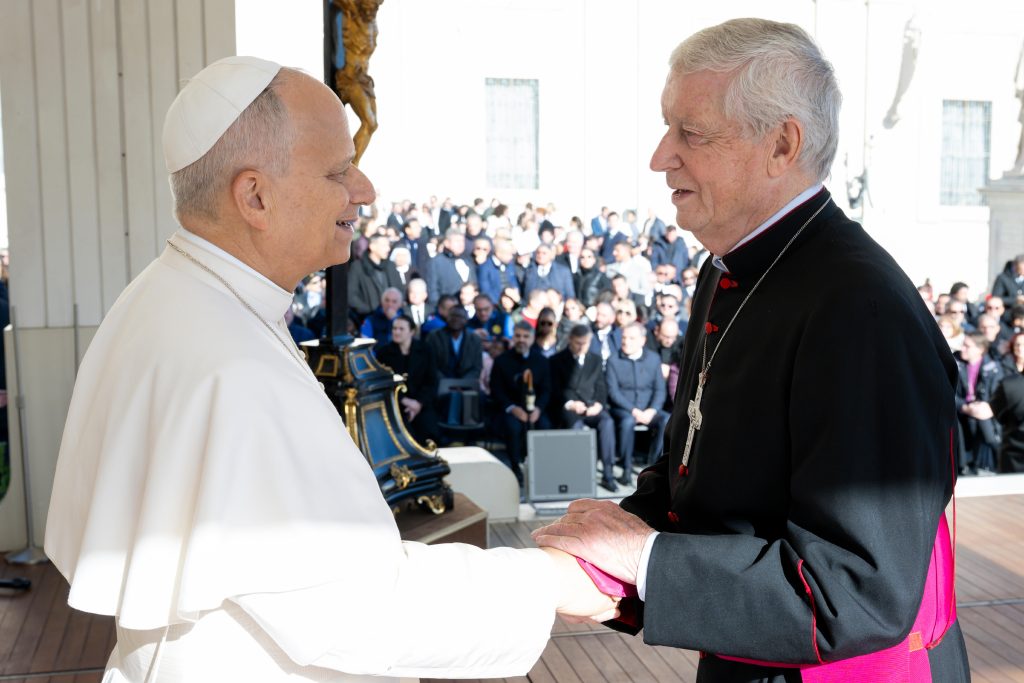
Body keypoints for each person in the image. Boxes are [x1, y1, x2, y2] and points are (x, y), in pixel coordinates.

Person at [44, 56, 615, 683]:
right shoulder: (232, 366)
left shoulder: (172, 298)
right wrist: (550, 578)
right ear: (255, 196)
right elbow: (358, 609)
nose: (365, 189)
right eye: (339, 170)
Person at [533, 19, 968, 681]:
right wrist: (609, 546)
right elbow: (709, 468)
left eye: (691, 133)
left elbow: (854, 592)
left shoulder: (859, 308)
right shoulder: (728, 267)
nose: (660, 156)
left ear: (782, 144)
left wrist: (644, 560)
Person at [550, 324, 618, 492]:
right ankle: (579, 475)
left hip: (591, 406)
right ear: (570, 340)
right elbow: (555, 389)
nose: (581, 347)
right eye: (578, 343)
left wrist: (598, 404)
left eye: (585, 343)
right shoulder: (556, 360)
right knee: (576, 428)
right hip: (569, 408)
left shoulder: (595, 359)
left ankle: (608, 473)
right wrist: (570, 404)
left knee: (607, 423)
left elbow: (601, 386)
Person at [604, 323, 669, 484]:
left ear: (642, 340)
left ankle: (654, 468)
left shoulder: (653, 359)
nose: (626, 342)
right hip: (625, 409)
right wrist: (634, 411)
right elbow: (613, 392)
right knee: (626, 422)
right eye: (624, 338)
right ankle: (626, 469)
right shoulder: (613, 360)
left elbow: (660, 390)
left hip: (649, 409)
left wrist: (652, 410)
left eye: (631, 338)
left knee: (666, 420)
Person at [490, 321, 552, 484]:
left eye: (526, 336)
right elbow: (496, 390)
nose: (521, 340)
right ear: (513, 337)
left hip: (535, 409)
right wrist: (512, 408)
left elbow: (546, 390)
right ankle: (515, 467)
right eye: (518, 336)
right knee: (513, 427)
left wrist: (539, 409)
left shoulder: (541, 361)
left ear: (532, 338)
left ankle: (542, 468)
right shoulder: (501, 361)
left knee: (545, 426)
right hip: (511, 409)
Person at [375, 315, 440, 445]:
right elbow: (382, 383)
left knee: (428, 432)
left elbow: (432, 381)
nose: (396, 332)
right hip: (395, 404)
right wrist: (404, 400)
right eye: (394, 328)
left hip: (421, 403)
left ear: (412, 331)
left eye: (401, 329)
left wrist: (418, 404)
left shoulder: (426, 350)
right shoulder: (384, 353)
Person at [347, 232, 403, 322]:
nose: (388, 249)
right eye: (384, 246)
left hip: (391, 317)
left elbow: (400, 290)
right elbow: (351, 295)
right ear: (372, 247)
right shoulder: (358, 267)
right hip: (367, 318)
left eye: (389, 245)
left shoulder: (391, 266)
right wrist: (369, 310)